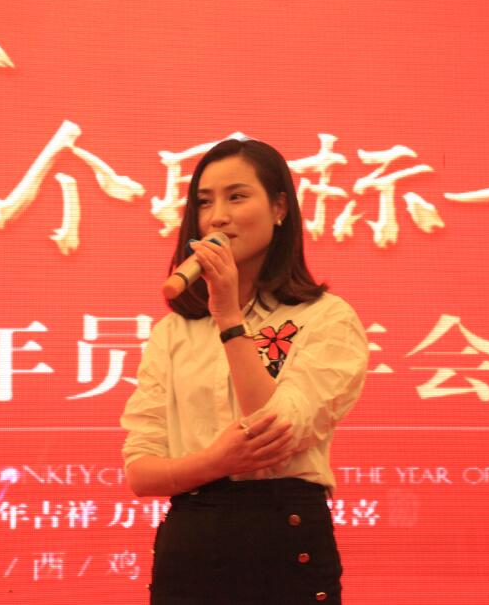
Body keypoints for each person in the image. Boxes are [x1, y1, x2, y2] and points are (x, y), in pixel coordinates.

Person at [120, 138, 369, 604]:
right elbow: (141, 471)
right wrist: (215, 463)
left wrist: (230, 319)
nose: (217, 217)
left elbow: (274, 430)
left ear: (279, 208)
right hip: (190, 550)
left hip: (284, 544)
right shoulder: (172, 332)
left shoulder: (326, 318)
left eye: (236, 197)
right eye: (204, 202)